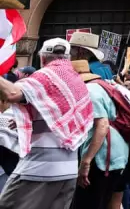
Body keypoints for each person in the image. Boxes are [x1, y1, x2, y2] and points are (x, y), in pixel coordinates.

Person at [0, 38, 93, 209]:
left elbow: (12, 93)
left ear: (42, 57)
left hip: (39, 170)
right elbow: (58, 115)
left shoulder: (47, 77)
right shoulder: (76, 81)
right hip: (68, 170)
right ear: (67, 57)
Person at [70, 59, 130, 209]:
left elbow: (102, 126)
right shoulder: (103, 86)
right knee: (111, 202)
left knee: (87, 203)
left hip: (103, 157)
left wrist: (85, 161)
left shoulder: (89, 90)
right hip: (118, 153)